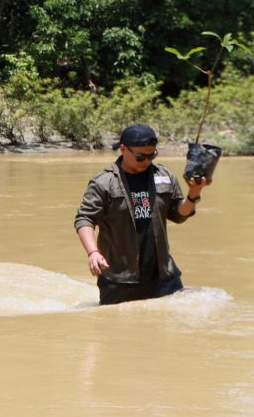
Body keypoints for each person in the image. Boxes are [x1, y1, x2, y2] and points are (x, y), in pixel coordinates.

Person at [74, 123, 211, 305]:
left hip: (164, 276)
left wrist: (194, 192)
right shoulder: (104, 183)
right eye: (141, 157)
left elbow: (178, 214)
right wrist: (93, 252)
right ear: (123, 149)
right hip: (119, 280)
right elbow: (85, 219)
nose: (147, 161)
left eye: (152, 155)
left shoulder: (164, 175)